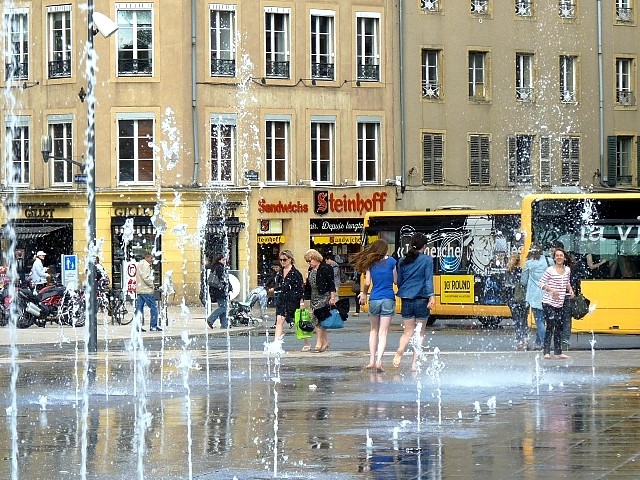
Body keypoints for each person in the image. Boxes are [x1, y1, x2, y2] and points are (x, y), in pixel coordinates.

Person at [352, 239, 397, 372]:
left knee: (373, 330)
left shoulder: (370, 264)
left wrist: (364, 294)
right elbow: (395, 280)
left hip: (375, 298)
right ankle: (379, 361)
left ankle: (371, 360)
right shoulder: (392, 262)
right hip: (388, 297)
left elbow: (366, 282)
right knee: (383, 333)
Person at [394, 233, 436, 372]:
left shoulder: (402, 260)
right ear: (424, 246)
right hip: (422, 299)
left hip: (406, 299)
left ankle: (400, 349)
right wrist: (432, 297)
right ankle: (414, 364)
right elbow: (428, 280)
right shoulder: (427, 260)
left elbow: (399, 281)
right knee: (420, 334)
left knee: (407, 332)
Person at [539, 247, 575, 359]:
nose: (559, 257)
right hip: (548, 303)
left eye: (561, 256)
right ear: (554, 258)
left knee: (559, 326)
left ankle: (558, 352)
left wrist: (570, 290)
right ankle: (546, 351)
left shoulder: (567, 270)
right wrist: (551, 290)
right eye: (557, 255)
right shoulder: (550, 270)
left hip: (560, 302)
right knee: (551, 325)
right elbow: (541, 283)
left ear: (564, 258)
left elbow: (566, 282)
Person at [301, 249, 337, 353]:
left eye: (310, 260)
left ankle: (319, 342)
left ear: (316, 258)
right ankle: (325, 342)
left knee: (317, 319)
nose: (309, 263)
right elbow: (308, 286)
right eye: (307, 261)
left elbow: (331, 284)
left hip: (324, 296)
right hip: (314, 297)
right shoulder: (310, 270)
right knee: (320, 320)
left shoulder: (326, 268)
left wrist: (332, 297)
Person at [521, 244, 549, 350]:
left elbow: (523, 281)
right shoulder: (548, 261)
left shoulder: (528, 263)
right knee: (543, 320)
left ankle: (545, 343)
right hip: (547, 294)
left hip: (534, 296)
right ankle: (538, 344)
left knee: (539, 321)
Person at [273, 249, 305, 342]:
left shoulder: (296, 273)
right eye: (281, 260)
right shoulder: (279, 273)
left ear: (290, 259)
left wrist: (302, 302)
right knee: (279, 320)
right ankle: (276, 343)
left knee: (299, 322)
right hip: (282, 300)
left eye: (284, 259)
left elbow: (300, 289)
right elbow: (278, 286)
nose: (282, 262)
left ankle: (306, 342)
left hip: (293, 300)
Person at [506, 252, 528, 350]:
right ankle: (525, 339)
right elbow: (524, 283)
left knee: (517, 321)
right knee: (523, 320)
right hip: (523, 298)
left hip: (513, 299)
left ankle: (519, 340)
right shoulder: (522, 271)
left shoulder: (508, 272)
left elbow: (507, 287)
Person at [135, 253, 161, 332]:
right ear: (147, 258)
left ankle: (137, 326)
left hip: (140, 289)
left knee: (139, 309)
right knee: (154, 307)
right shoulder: (146, 265)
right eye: (151, 258)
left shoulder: (140, 264)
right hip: (146, 290)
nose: (152, 260)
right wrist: (152, 285)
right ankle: (153, 326)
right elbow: (146, 277)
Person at [206, 254, 229, 329]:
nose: (224, 261)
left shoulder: (215, 267)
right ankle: (210, 319)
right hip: (220, 290)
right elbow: (222, 279)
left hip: (216, 290)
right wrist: (226, 287)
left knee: (223, 307)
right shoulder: (219, 268)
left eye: (225, 260)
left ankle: (224, 325)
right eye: (223, 260)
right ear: (219, 260)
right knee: (223, 307)